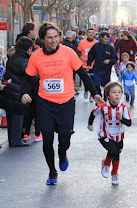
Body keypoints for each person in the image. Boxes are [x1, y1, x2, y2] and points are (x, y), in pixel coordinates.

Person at [21, 23, 104, 185]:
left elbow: (83, 75)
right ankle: (52, 172)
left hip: (66, 102)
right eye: (49, 38)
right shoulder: (36, 57)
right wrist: (24, 92)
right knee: (47, 139)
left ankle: (62, 153)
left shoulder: (68, 52)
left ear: (59, 37)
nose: (53, 41)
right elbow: (27, 78)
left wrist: (95, 94)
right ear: (42, 39)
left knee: (64, 139)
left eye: (56, 37)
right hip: (44, 103)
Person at [87, 81, 132, 185]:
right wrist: (90, 124)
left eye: (119, 92)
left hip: (119, 136)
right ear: (107, 95)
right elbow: (93, 113)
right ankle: (106, 164)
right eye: (114, 92)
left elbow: (129, 123)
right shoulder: (103, 107)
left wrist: (121, 119)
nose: (117, 94)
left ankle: (114, 173)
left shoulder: (123, 108)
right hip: (104, 134)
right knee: (112, 151)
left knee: (117, 155)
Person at [0, 36, 33, 147]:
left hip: (9, 91)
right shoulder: (24, 61)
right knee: (17, 117)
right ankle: (15, 140)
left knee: (11, 118)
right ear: (29, 48)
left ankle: (13, 139)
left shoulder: (13, 57)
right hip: (17, 92)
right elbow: (31, 76)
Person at [87, 32, 118, 100]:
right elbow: (91, 55)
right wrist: (89, 65)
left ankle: (105, 98)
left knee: (106, 86)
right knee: (96, 84)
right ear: (101, 38)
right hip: (97, 69)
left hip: (106, 70)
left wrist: (109, 61)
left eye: (107, 39)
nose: (106, 41)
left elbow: (115, 58)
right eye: (105, 39)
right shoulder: (96, 46)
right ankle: (99, 97)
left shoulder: (110, 47)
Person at [77, 28, 98, 102]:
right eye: (89, 32)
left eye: (92, 33)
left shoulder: (97, 43)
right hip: (84, 65)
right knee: (86, 80)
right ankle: (86, 90)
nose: (91, 34)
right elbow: (78, 52)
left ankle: (92, 95)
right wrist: (81, 58)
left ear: (94, 34)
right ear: (87, 33)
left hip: (94, 65)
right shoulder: (82, 42)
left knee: (93, 80)